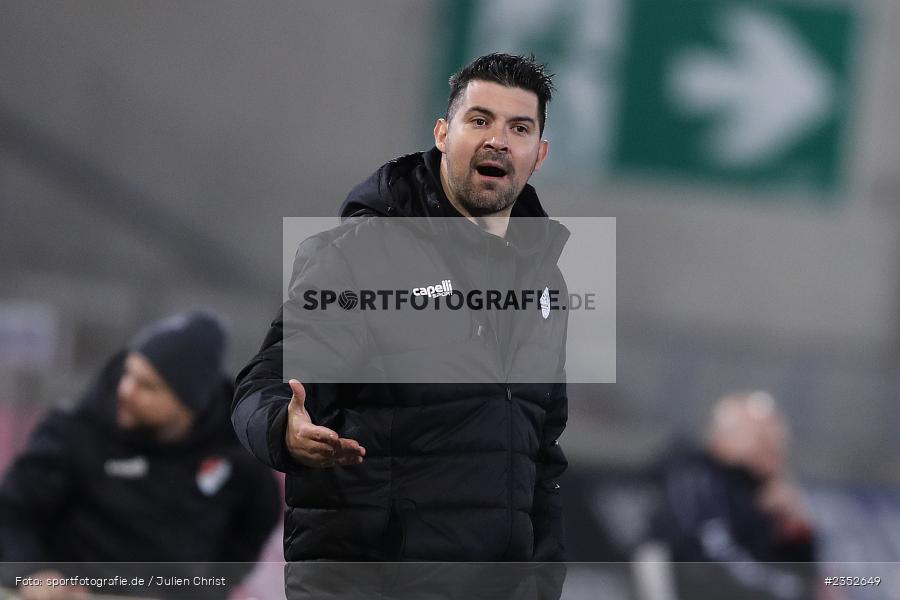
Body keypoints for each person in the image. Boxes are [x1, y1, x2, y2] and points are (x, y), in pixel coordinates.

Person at [233, 53, 569, 596]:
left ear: (539, 155)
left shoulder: (546, 283)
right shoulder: (361, 255)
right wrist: (282, 429)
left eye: (519, 128)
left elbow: (542, 453)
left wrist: (541, 581)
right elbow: (264, 384)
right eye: (479, 120)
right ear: (442, 133)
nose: (498, 140)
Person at [0, 311, 281, 600]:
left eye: (148, 386)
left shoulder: (235, 448)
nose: (126, 390)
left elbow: (257, 519)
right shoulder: (75, 430)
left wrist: (210, 588)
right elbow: (12, 512)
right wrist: (32, 572)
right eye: (128, 373)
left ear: (188, 402)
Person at [651, 390, 817, 600]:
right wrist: (789, 589)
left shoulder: (765, 495)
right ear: (725, 439)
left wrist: (796, 532)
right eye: (762, 440)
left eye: (778, 441)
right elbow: (713, 562)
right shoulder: (696, 478)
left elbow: (805, 574)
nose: (775, 450)